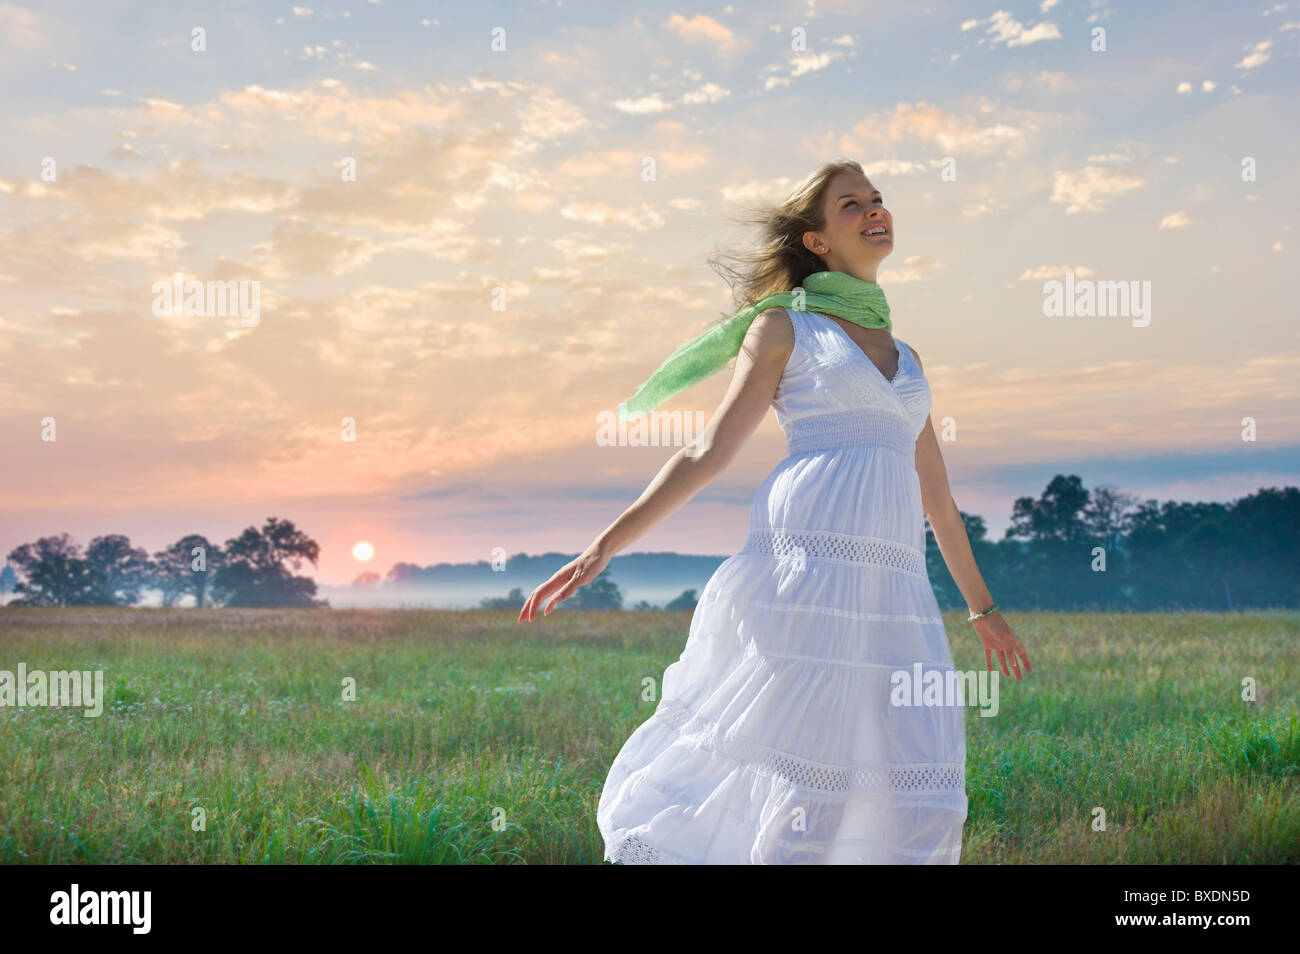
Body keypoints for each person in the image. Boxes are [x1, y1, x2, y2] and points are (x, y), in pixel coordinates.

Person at [518, 158, 1031, 864]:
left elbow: (937, 501)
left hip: (891, 589)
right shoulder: (786, 330)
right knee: (798, 772)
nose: (874, 210)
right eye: (851, 204)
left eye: (877, 199)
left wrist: (982, 608)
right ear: (816, 241)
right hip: (805, 575)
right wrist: (605, 545)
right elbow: (708, 451)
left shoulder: (908, 358)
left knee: (920, 791)